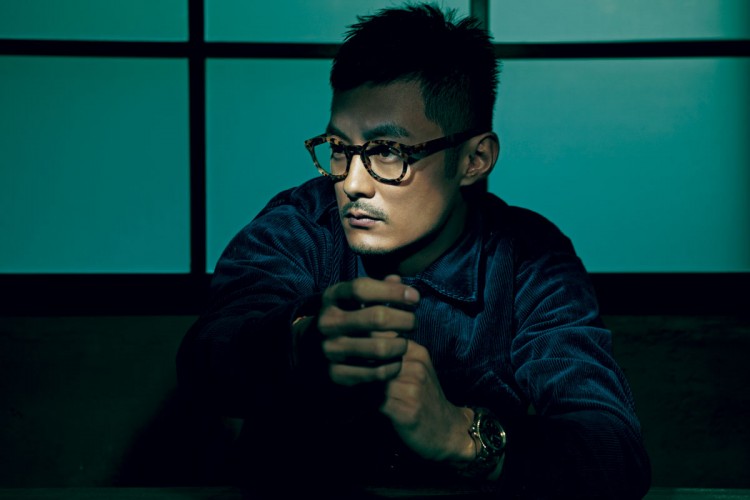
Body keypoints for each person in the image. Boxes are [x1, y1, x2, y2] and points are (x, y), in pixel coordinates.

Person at [177, 3, 651, 499]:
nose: (352, 184)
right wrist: (298, 343)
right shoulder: (300, 225)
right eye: (339, 148)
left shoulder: (528, 259)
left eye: (388, 151)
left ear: (474, 159)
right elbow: (205, 359)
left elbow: (614, 451)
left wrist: (460, 437)